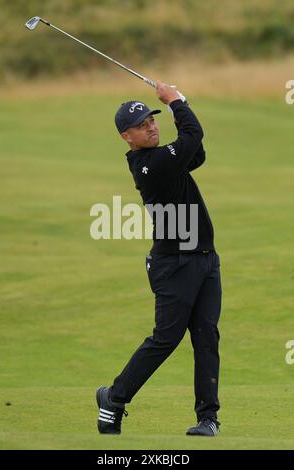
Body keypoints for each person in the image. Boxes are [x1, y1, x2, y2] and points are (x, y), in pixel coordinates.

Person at [96, 81, 222, 437]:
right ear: (127, 137)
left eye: (153, 120)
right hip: (174, 265)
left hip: (205, 259)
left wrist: (181, 109)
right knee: (166, 339)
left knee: (206, 336)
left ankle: (208, 417)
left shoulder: (165, 157)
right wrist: (176, 101)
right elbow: (193, 134)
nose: (151, 126)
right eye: (142, 125)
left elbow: (196, 152)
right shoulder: (148, 165)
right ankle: (114, 397)